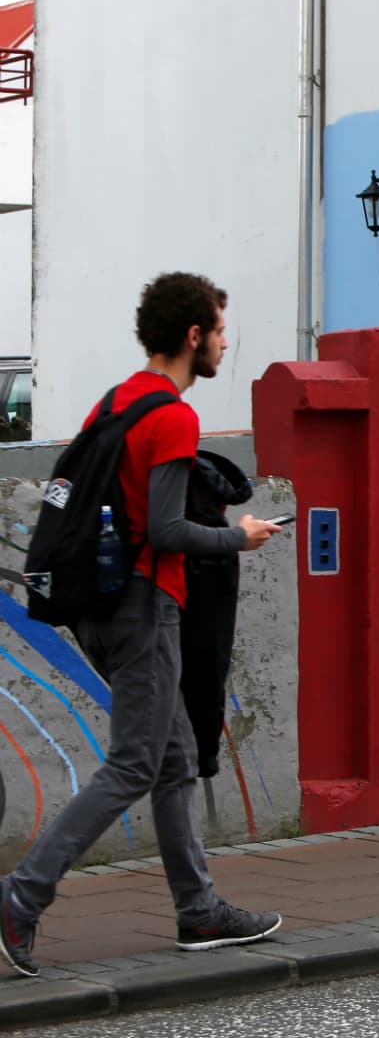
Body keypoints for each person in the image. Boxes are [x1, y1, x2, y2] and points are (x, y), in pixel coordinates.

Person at [1, 273, 283, 979]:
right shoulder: (173, 418)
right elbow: (165, 528)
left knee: (175, 758)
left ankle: (199, 910)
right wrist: (238, 537)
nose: (224, 341)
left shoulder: (118, 400)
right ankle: (20, 898)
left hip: (96, 606)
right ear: (193, 336)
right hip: (143, 604)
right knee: (134, 763)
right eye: (219, 330)